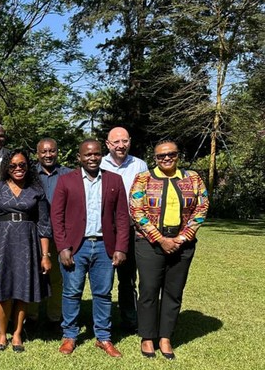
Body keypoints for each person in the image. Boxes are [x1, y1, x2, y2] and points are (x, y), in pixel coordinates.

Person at [50, 139, 130, 358]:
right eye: (87, 155)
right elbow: (56, 217)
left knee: (103, 293)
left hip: (105, 247)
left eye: (96, 154)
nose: (92, 158)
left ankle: (103, 337)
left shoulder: (114, 180)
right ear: (79, 157)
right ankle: (70, 336)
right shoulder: (67, 181)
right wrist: (63, 247)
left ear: (101, 155)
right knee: (71, 292)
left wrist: (121, 247)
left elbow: (122, 216)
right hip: (76, 247)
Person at [130, 140, 209, 360]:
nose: (166, 158)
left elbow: (202, 207)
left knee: (174, 291)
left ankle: (165, 337)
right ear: (154, 158)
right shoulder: (143, 179)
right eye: (160, 156)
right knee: (149, 289)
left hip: (183, 243)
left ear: (178, 155)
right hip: (150, 243)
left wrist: (183, 237)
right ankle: (147, 337)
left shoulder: (192, 178)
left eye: (171, 154)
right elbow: (136, 211)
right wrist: (160, 239)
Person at [0, 148, 51, 352]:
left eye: (22, 165)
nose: (18, 168)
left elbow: (44, 225)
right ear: (6, 168)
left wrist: (45, 256)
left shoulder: (36, 191)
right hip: (2, 244)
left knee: (22, 289)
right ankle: (2, 334)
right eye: (13, 165)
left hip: (28, 244)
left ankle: (18, 333)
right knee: (3, 291)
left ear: (28, 166)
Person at [100, 126, 147, 332]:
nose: (121, 145)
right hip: (104, 229)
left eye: (124, 141)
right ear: (108, 144)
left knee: (128, 279)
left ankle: (130, 320)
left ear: (130, 141)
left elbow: (146, 197)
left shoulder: (139, 165)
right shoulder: (98, 163)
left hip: (130, 228)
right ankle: (102, 322)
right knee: (103, 278)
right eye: (116, 142)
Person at [26, 138, 71, 326]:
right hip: (33, 234)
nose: (48, 155)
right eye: (44, 152)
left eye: (51, 151)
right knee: (32, 276)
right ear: (37, 154)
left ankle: (54, 317)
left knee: (57, 278)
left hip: (60, 234)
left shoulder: (68, 174)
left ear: (57, 152)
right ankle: (31, 316)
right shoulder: (28, 175)